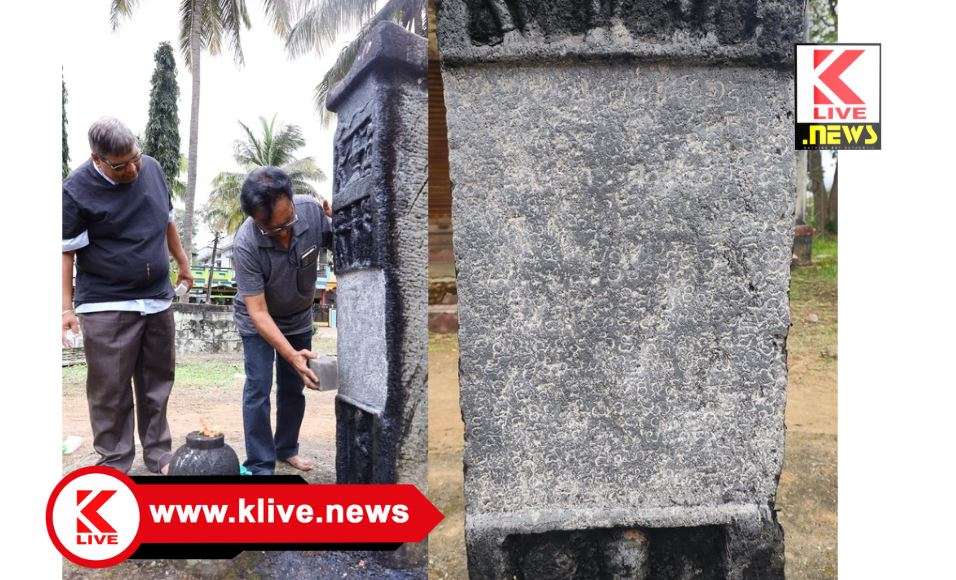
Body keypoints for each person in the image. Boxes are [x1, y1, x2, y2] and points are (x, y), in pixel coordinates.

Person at [62, 117, 193, 474]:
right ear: (97, 159)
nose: (133, 169)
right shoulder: (76, 189)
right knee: (110, 388)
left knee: (157, 382)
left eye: (135, 158)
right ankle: (114, 461)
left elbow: (167, 221)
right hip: (106, 302)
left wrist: (183, 263)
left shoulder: (151, 169)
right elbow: (66, 251)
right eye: (121, 166)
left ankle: (159, 453)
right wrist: (65, 309)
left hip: (156, 297)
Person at [232, 166, 333, 475]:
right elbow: (258, 312)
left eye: (287, 223)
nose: (284, 234)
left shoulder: (311, 211)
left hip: (298, 317)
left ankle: (286, 448)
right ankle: (260, 464)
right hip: (258, 322)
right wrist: (291, 355)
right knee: (258, 388)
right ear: (255, 219)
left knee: (293, 387)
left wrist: (338, 217)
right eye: (272, 229)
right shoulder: (245, 244)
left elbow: (345, 243)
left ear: (291, 198)